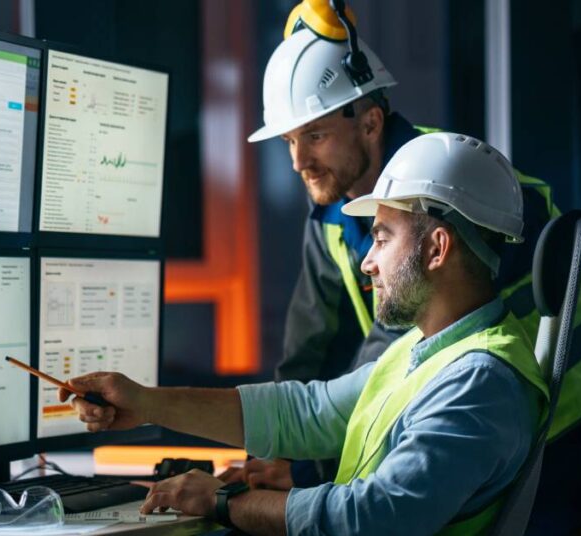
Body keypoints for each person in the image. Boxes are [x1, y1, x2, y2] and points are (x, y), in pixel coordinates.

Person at [235, 3, 581, 533]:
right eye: (289, 141)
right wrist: (274, 453)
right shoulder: (331, 210)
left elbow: (402, 345)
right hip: (512, 409)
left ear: (369, 122)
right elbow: (309, 349)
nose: (297, 161)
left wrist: (304, 467)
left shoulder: (456, 185)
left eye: (315, 135)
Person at [64, 133, 550, 535]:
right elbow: (307, 412)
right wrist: (145, 402)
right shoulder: (427, 352)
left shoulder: (479, 384)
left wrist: (225, 501)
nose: (367, 262)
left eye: (381, 239)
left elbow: (373, 517)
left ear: (436, 249)